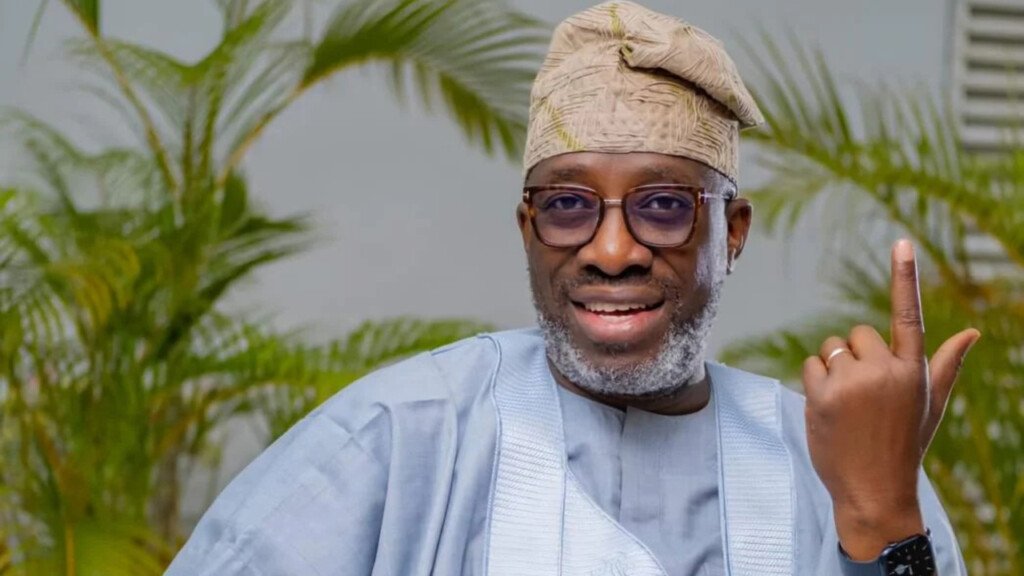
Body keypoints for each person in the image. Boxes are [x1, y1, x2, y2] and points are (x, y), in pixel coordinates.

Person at [166, 2, 978, 574]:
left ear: (732, 233)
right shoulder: (399, 438)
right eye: (567, 206)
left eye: (664, 206)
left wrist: (880, 518)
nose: (612, 251)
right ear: (528, 228)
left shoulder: (839, 464)